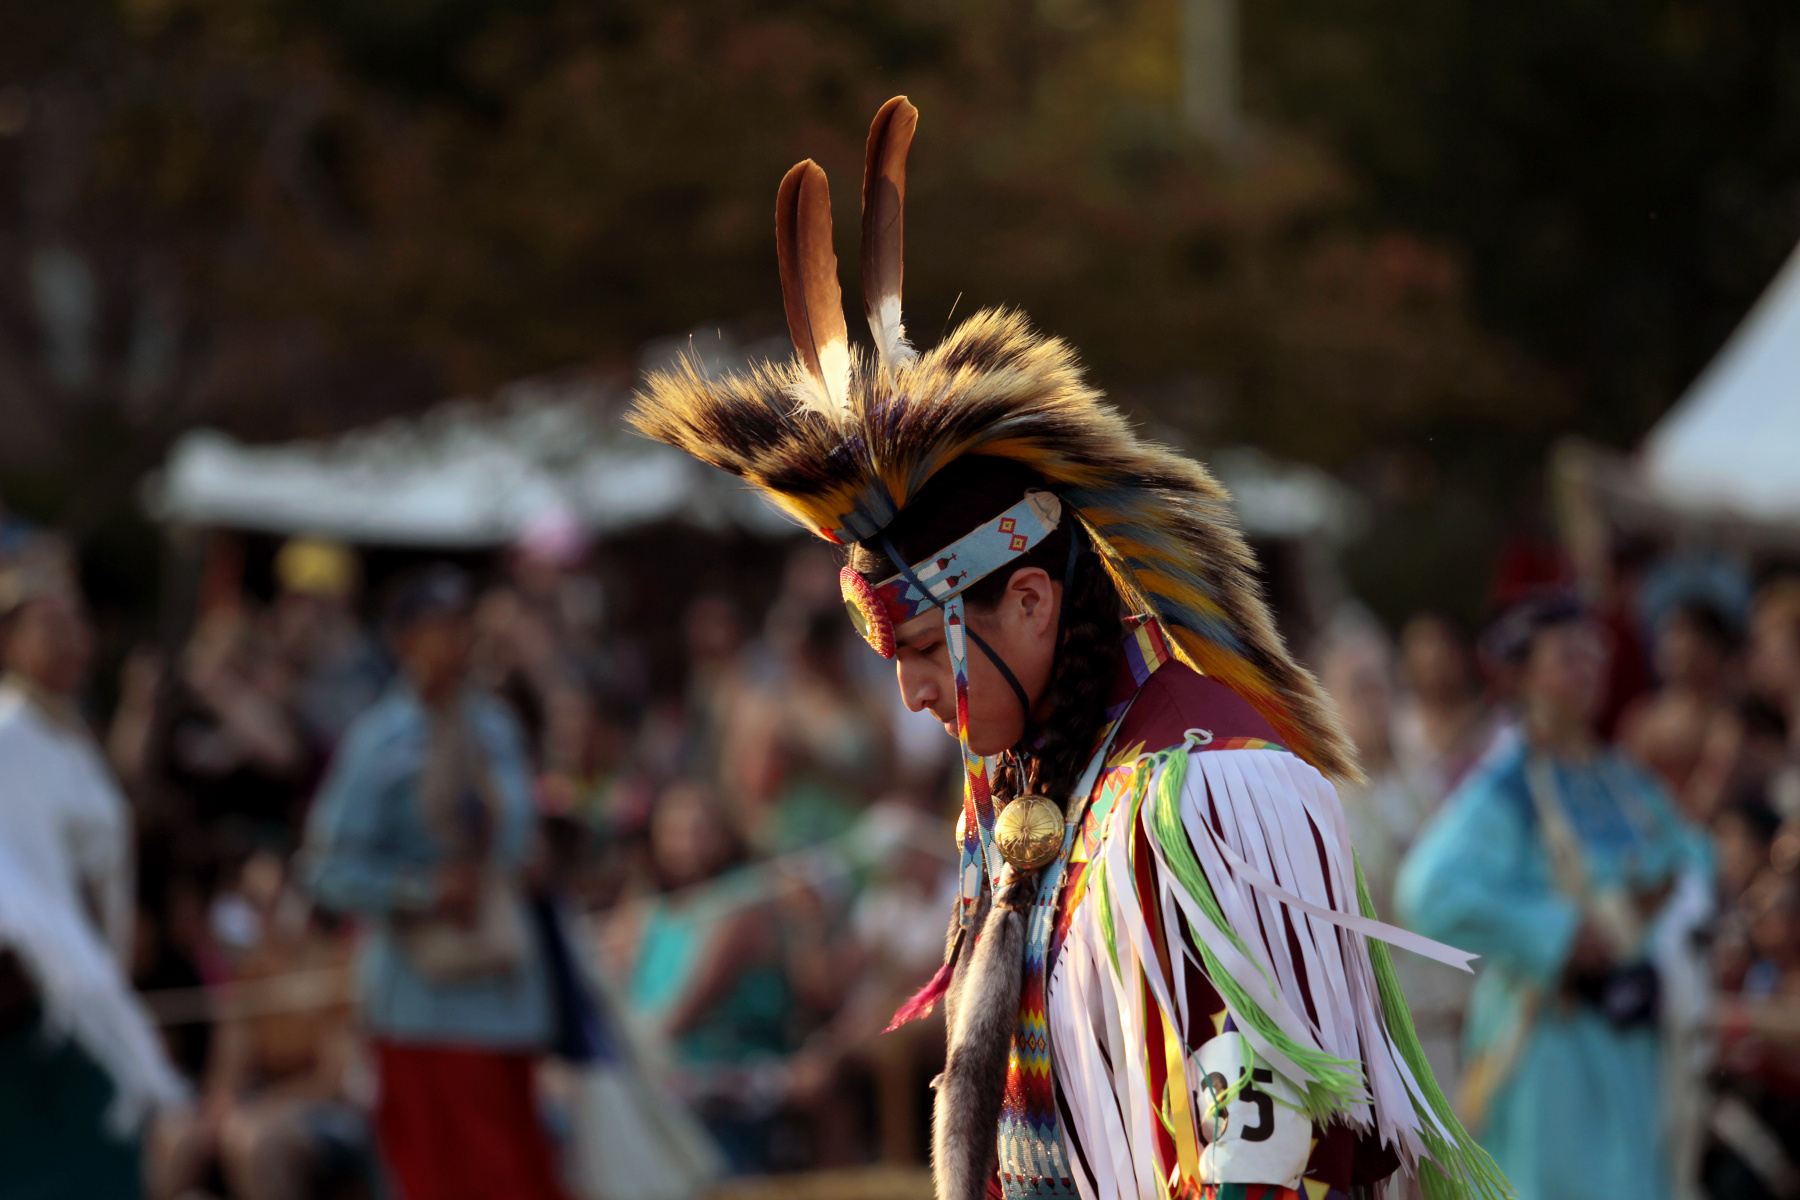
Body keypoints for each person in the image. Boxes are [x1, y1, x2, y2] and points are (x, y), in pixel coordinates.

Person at [627, 95, 1500, 1200]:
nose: (910, 700)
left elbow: (1272, 1155)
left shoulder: (1209, 797)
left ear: (1031, 603)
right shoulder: (1026, 798)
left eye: (929, 654)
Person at [1396, 594, 1714, 1200]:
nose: (1588, 668)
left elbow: (1695, 856)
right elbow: (1429, 889)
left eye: (1594, 653)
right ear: (1521, 675)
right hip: (1551, 1046)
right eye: (1568, 657)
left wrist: (1666, 901)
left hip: (1636, 1040)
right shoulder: (1507, 785)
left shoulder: (1618, 777)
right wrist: (1558, 935)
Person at [303, 564, 569, 1200]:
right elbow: (326, 869)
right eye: (440, 629)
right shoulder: (379, 743)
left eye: (463, 628)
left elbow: (518, 834)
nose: (457, 643)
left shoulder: (495, 728)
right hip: (423, 1006)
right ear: (403, 640)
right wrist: (420, 891)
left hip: (507, 994)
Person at [0, 552, 185, 1198]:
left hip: (87, 984)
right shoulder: (8, 735)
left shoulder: (67, 734)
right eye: (46, 624)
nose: (67, 638)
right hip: (35, 1003)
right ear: (9, 640)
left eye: (74, 621)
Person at [1618, 599, 1739, 806]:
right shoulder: (1641, 714)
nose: (1669, 642)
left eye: (1681, 632)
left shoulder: (1727, 721)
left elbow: (1704, 802)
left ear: (1713, 650)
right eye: (1667, 632)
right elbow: (1624, 791)